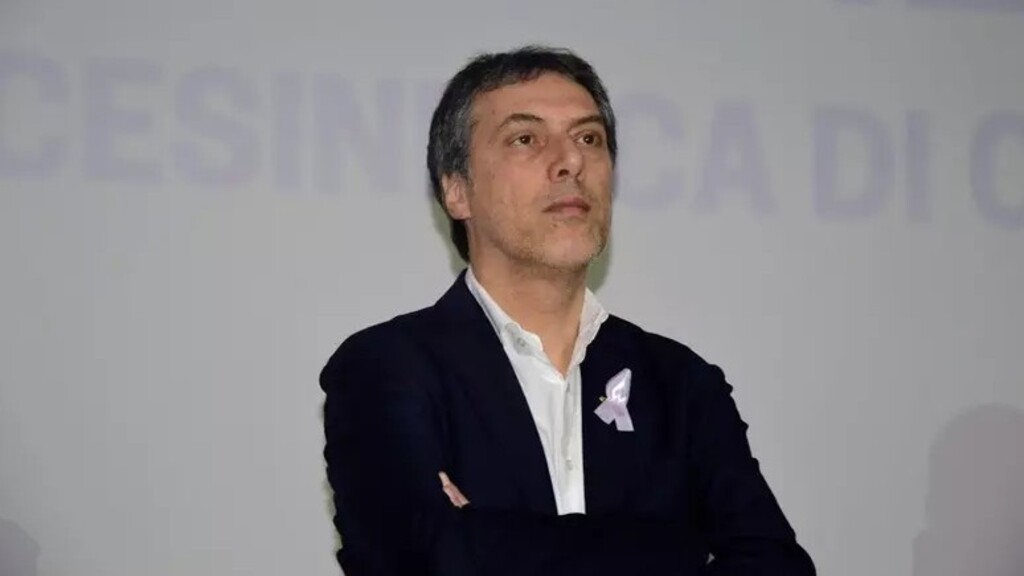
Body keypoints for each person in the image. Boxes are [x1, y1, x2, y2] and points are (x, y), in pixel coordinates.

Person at [320, 45, 816, 576]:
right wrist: (682, 551)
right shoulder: (386, 368)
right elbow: (419, 558)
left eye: (588, 138)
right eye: (526, 139)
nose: (571, 161)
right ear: (457, 190)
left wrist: (482, 537)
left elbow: (778, 567)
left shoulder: (680, 384)